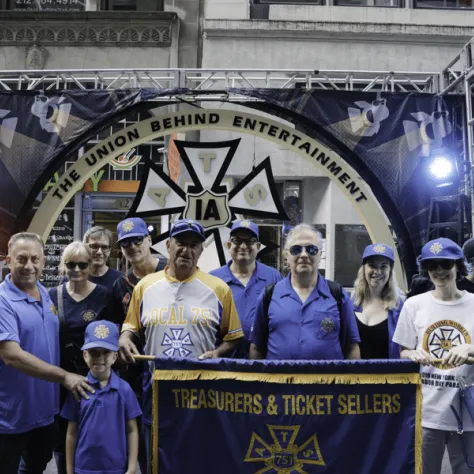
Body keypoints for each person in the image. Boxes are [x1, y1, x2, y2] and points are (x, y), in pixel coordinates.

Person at [118, 218, 243, 471]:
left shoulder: (219, 289)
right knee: (155, 461)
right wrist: (124, 338)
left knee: (198, 460)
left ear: (201, 250)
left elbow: (233, 337)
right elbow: (131, 326)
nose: (187, 250)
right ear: (168, 246)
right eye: (180, 243)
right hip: (156, 391)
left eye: (194, 244)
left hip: (201, 394)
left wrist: (218, 352)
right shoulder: (145, 287)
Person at [0, 232, 93, 474]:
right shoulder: (2, 301)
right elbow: (11, 355)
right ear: (9, 261)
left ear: (44, 262)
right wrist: (64, 376)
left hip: (45, 414)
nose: (29, 266)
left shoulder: (47, 295)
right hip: (9, 418)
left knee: (35, 468)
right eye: (21, 259)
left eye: (34, 259)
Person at [393, 237, 474, 474]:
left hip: (468, 412)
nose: (439, 271)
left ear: (458, 266)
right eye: (432, 266)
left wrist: (470, 349)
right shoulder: (413, 305)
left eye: (445, 264)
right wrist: (412, 354)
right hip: (427, 412)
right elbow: (403, 351)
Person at [101, 217, 166, 474]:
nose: (132, 247)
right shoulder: (121, 284)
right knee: (138, 435)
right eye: (126, 243)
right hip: (134, 371)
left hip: (168, 364)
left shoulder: (170, 271)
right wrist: (119, 341)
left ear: (149, 241)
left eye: (137, 240)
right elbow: (114, 325)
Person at [249, 224, 360, 360]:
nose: (303, 255)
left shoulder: (337, 295)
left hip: (327, 381)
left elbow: (351, 347)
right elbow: (257, 348)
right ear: (287, 256)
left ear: (320, 255)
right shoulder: (269, 295)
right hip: (278, 381)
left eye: (311, 249)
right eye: (296, 249)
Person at [49, 241, 110, 474]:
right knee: (63, 439)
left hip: (94, 377)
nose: (76, 270)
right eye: (70, 264)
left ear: (90, 265)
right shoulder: (52, 296)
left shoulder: (104, 295)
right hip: (62, 380)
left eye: (82, 264)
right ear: (63, 266)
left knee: (96, 437)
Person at [61, 320, 141, 474]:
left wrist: (131, 469)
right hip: (84, 469)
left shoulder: (124, 390)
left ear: (115, 356)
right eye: (94, 352)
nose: (100, 358)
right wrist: (69, 471)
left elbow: (132, 430)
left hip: (117, 469)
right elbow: (71, 433)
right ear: (85, 355)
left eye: (106, 352)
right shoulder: (78, 388)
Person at [210, 220, 282, 357]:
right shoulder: (214, 279)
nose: (243, 246)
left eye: (249, 241)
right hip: (223, 362)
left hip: (263, 362)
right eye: (237, 241)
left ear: (258, 246)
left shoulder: (273, 277)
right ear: (229, 245)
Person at [352, 243, 404, 359]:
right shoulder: (350, 304)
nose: (377, 271)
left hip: (388, 376)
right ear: (364, 268)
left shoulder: (400, 308)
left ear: (390, 270)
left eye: (384, 266)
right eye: (372, 265)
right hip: (355, 375)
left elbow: (406, 349)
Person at [61, 226, 122, 292]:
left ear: (109, 250)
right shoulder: (71, 277)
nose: (99, 252)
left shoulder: (120, 280)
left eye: (104, 247)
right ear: (84, 248)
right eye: (94, 246)